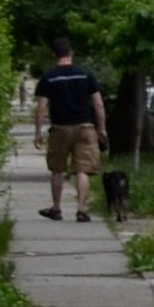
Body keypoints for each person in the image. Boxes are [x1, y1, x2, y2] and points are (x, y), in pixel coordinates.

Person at [34, 40, 104, 222]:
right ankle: (81, 210)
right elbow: (98, 103)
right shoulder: (86, 75)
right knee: (83, 170)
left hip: (60, 128)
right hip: (85, 127)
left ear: (54, 55)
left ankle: (56, 208)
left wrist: (38, 132)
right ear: (71, 53)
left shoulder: (49, 77)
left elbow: (41, 107)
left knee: (57, 169)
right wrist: (101, 128)